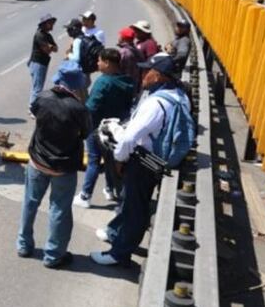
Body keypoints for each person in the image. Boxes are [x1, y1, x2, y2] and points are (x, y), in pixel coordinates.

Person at [92, 54, 195, 266]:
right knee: (131, 202)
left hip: (144, 161)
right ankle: (115, 232)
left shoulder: (155, 103)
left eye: (147, 71)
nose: (142, 74)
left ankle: (119, 254)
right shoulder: (179, 94)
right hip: (159, 160)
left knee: (134, 207)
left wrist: (119, 159)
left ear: (158, 76)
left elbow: (129, 138)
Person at [17, 62, 92, 268]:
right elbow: (86, 133)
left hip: (37, 161)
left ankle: (23, 245)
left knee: (30, 203)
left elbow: (35, 114)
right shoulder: (79, 108)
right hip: (64, 167)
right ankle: (53, 255)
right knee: (59, 210)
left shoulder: (42, 97)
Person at [74, 48, 136, 208]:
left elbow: (91, 108)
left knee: (94, 160)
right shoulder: (128, 80)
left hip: (97, 128)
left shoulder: (103, 82)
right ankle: (110, 189)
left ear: (107, 63)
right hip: (117, 129)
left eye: (99, 60)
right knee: (110, 160)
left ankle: (85, 195)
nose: (97, 63)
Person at [29, 15, 59, 111]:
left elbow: (56, 49)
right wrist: (50, 47)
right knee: (37, 89)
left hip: (42, 63)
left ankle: (33, 107)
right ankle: (33, 109)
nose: (52, 25)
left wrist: (50, 46)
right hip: (38, 63)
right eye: (50, 23)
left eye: (52, 23)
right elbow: (47, 50)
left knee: (37, 87)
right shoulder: (39, 35)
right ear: (44, 24)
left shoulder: (48, 36)